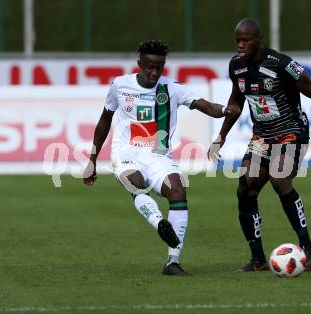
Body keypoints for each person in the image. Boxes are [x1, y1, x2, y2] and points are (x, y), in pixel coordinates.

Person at [208, 18, 311, 272]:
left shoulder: (282, 64)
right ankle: (257, 259)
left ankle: (307, 248)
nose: (240, 45)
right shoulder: (236, 66)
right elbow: (237, 99)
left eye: (245, 40)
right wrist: (222, 136)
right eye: (237, 40)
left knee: (280, 178)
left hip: (292, 132)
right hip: (261, 136)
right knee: (245, 187)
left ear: (259, 39)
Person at [84, 40, 237, 276]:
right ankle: (159, 223)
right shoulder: (120, 86)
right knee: (136, 183)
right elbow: (105, 120)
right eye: (150, 67)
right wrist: (92, 159)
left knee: (178, 191)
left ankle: (172, 261)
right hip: (125, 152)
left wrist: (224, 110)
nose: (154, 73)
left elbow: (204, 105)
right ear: (139, 64)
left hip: (157, 154)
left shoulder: (172, 88)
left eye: (159, 68)